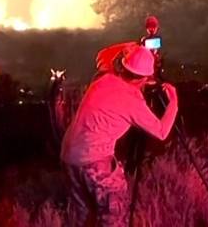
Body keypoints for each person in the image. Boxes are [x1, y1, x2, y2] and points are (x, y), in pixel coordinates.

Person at [61, 44, 178, 227]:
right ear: (144, 78)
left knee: (83, 218)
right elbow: (161, 132)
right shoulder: (132, 101)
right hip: (94, 160)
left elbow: (104, 56)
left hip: (69, 158)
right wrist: (174, 103)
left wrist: (135, 48)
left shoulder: (103, 80)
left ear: (123, 67)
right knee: (113, 217)